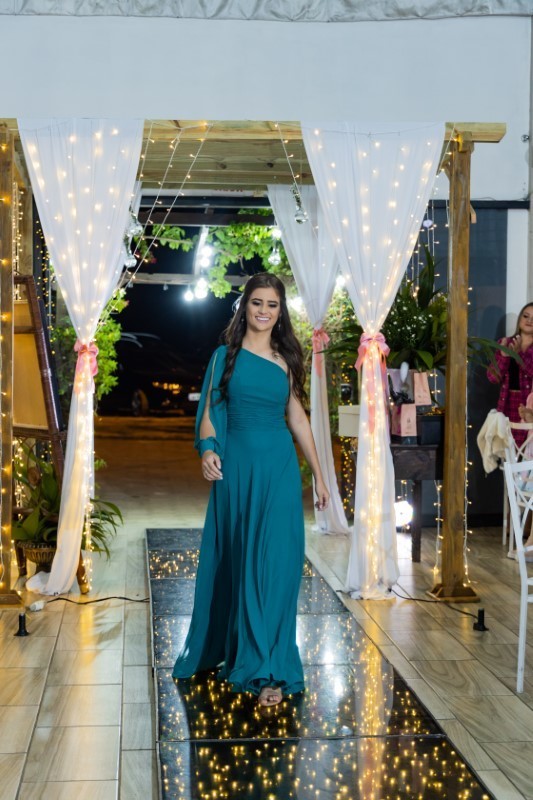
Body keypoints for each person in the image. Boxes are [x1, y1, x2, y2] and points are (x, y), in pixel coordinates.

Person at [172, 272, 330, 707]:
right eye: (257, 302)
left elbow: (297, 418)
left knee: (277, 566)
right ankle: (255, 663)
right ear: (245, 307)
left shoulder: (285, 358)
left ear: (280, 312)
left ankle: (272, 665)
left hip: (279, 469)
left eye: (272, 305)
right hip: (238, 471)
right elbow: (210, 411)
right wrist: (208, 450)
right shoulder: (225, 356)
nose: (264, 311)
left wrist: (319, 474)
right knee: (244, 565)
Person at [487, 302, 533, 446]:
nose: (529, 320)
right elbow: (493, 377)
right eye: (526, 316)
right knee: (508, 451)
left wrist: (518, 354)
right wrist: (504, 356)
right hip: (507, 404)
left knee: (528, 451)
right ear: (520, 318)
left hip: (529, 406)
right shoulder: (505, 343)